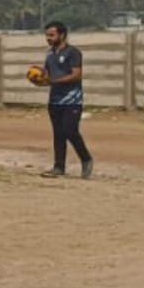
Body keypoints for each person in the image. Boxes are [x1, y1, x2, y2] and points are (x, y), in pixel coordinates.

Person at [33, 22, 93, 179]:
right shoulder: (50, 54)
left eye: (52, 35)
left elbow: (76, 75)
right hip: (54, 101)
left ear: (62, 35)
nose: (48, 38)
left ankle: (86, 159)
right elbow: (47, 73)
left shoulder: (73, 53)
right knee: (58, 134)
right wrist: (38, 78)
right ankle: (58, 167)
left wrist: (54, 81)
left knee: (70, 131)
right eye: (47, 35)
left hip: (72, 101)